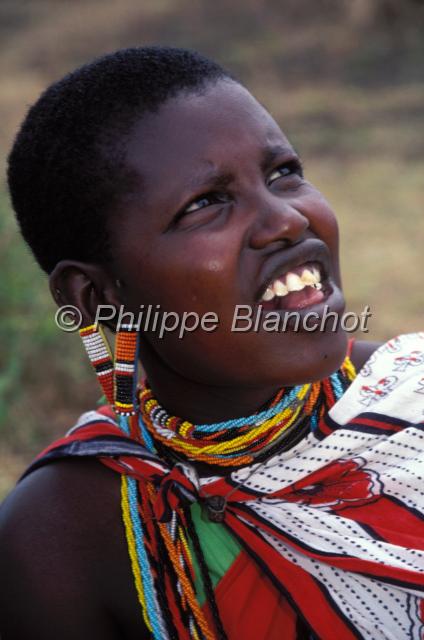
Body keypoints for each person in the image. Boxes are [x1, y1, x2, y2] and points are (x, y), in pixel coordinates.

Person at [0, 47, 423, 640]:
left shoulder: (414, 396)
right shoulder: (61, 537)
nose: (287, 220)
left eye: (283, 172)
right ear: (96, 296)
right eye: (205, 203)